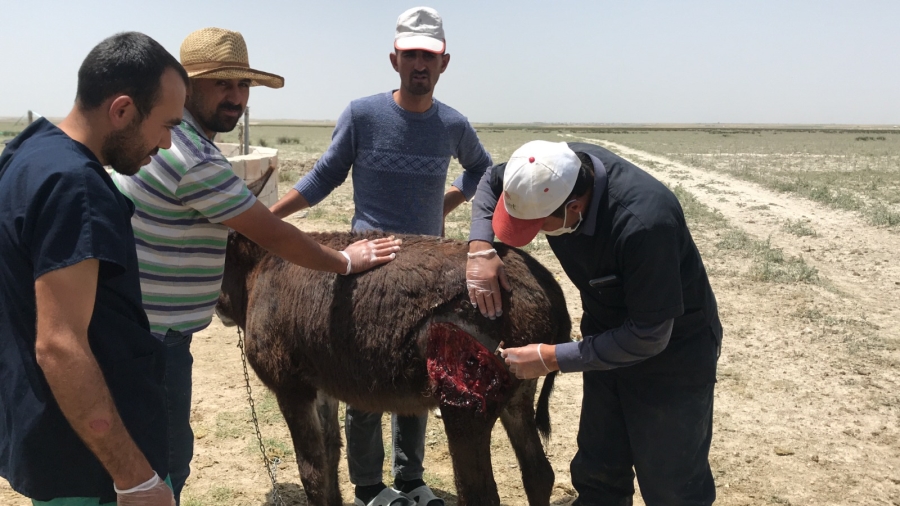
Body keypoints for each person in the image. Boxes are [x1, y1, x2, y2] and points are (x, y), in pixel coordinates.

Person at [112, 27, 401, 505]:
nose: (236, 97)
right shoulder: (194, 158)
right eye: (222, 83)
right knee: (161, 463)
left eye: (243, 86)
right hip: (154, 340)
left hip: (144, 328)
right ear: (186, 85)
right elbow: (272, 235)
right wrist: (345, 261)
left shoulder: (170, 140)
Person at [270, 7, 492, 506]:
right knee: (362, 378)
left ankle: (411, 480)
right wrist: (267, 218)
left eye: (429, 56)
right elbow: (324, 175)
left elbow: (484, 172)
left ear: (444, 63)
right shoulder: (363, 115)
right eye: (411, 54)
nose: (420, 64)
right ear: (394, 59)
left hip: (428, 273)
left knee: (420, 377)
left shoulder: (453, 125)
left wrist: (445, 203)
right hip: (367, 267)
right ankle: (370, 486)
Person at [466, 140, 723, 505]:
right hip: (605, 337)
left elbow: (649, 335)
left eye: (539, 225)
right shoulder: (547, 167)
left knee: (672, 482)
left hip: (672, 355)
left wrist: (550, 357)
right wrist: (480, 247)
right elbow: (492, 180)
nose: (535, 233)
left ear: (574, 207)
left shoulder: (644, 222)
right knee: (599, 466)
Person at [0, 32, 188, 506]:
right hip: (93, 466)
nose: (167, 144)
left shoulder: (27, 156)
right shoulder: (76, 187)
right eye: (166, 125)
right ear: (122, 110)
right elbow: (60, 345)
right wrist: (135, 479)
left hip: (54, 439)